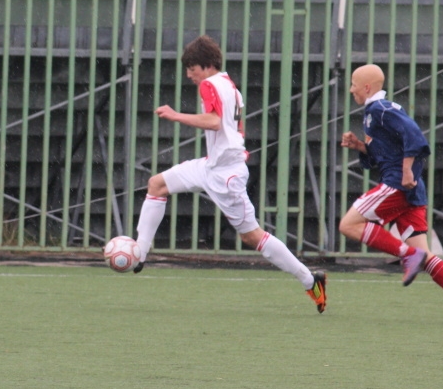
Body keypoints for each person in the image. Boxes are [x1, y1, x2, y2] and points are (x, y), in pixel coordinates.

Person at [132, 35, 327, 313]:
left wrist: (176, 116)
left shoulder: (210, 85)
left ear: (208, 65)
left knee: (252, 237)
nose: (189, 75)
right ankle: (139, 254)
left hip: (225, 176)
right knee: (157, 184)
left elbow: (213, 122)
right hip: (212, 165)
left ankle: (311, 280)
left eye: (192, 69)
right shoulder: (231, 86)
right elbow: (235, 127)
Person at [339, 63, 443, 324]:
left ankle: (407, 256)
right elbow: (383, 155)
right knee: (427, 257)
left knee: (349, 224)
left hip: (398, 184)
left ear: (367, 87)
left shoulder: (380, 109)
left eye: (353, 84)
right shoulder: (374, 112)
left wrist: (406, 170)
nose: (351, 90)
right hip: (410, 191)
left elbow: (414, 135)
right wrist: (359, 146)